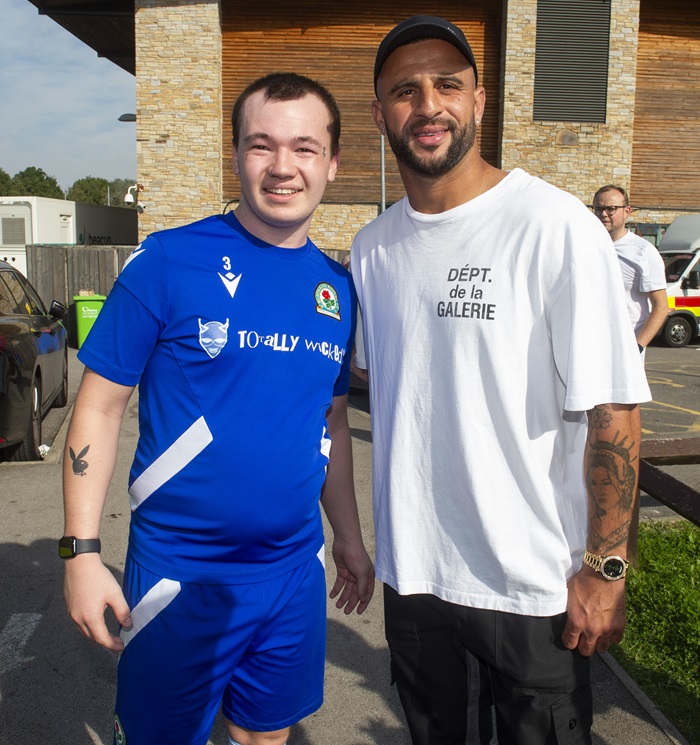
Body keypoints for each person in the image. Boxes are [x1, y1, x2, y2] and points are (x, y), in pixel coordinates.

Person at [350, 16, 651, 745]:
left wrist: (605, 568)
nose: (428, 105)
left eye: (447, 84)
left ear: (479, 101)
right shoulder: (371, 247)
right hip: (415, 574)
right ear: (380, 113)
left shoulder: (553, 225)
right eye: (405, 91)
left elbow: (613, 408)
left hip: (532, 583)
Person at [60, 72, 374, 745]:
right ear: (235, 155)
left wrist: (347, 536)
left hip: (291, 574)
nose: (283, 166)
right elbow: (98, 407)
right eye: (262, 146)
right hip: (182, 572)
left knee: (265, 735)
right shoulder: (168, 262)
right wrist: (81, 551)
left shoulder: (337, 288)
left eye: (305, 147)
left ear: (333, 163)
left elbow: (331, 424)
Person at [592, 185, 669, 356]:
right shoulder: (585, 247)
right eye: (598, 208)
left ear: (627, 212)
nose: (603, 214)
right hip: (591, 345)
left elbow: (661, 306)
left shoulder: (643, 252)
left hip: (626, 350)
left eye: (611, 209)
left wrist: (637, 346)